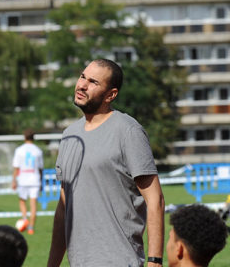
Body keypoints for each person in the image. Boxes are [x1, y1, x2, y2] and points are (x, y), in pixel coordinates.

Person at [47, 59, 165, 267]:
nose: (82, 85)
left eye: (93, 82)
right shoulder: (69, 136)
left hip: (119, 260)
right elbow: (64, 209)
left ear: (111, 95)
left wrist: (154, 261)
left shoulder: (128, 131)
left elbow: (155, 200)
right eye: (83, 76)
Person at [11, 128, 44, 235]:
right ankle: (31, 228)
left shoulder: (19, 150)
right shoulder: (38, 151)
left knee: (22, 201)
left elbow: (16, 167)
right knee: (33, 204)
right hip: (34, 179)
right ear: (33, 138)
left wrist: (14, 180)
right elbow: (40, 169)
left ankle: (24, 219)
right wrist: (41, 181)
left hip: (23, 179)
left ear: (24, 137)